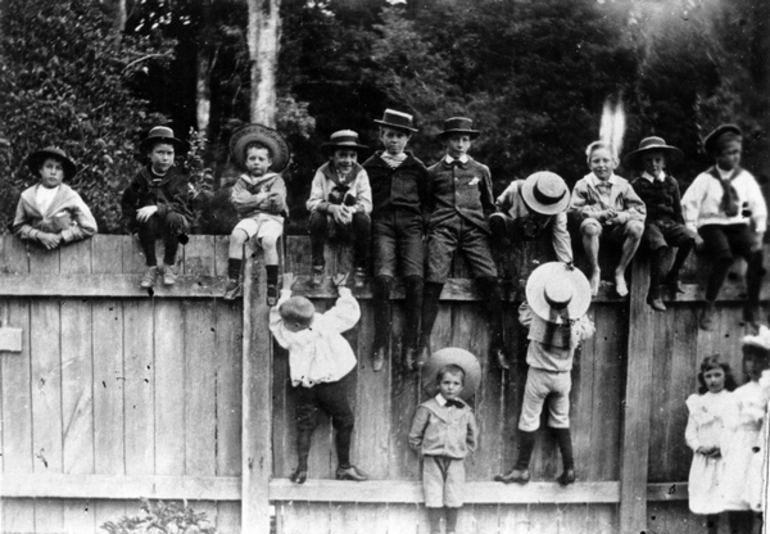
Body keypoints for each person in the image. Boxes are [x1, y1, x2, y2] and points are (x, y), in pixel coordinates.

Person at [419, 117, 508, 371]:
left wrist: (492, 231)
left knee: (489, 279)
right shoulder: (432, 172)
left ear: (470, 143)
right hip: (443, 229)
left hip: (474, 231)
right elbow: (426, 206)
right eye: (455, 139)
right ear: (446, 141)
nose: (460, 144)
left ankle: (499, 345)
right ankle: (422, 341)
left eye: (465, 139)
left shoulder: (481, 171)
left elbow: (489, 206)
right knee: (433, 279)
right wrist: (432, 227)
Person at [495, 262, 594, 485]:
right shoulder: (576, 321)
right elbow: (588, 331)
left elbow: (523, 316)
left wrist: (532, 297)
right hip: (562, 377)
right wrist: (579, 315)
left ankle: (521, 468)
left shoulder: (537, 318)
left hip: (539, 375)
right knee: (561, 420)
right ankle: (569, 468)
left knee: (529, 419)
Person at [269, 271, 369, 484]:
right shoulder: (324, 323)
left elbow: (276, 316)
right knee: (346, 421)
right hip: (328, 385)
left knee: (305, 425)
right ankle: (344, 466)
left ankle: (302, 469)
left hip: (304, 386)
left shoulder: (288, 335)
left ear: (294, 325)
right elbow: (348, 312)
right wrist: (342, 288)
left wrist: (286, 290)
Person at [681, 124, 767, 331]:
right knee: (724, 256)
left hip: (737, 226)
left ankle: (752, 307)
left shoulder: (744, 178)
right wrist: (693, 232)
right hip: (711, 226)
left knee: (757, 253)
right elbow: (688, 205)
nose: (736, 157)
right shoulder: (706, 179)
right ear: (717, 156)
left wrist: (758, 231)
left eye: (737, 152)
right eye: (730, 153)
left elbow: (755, 205)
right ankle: (709, 305)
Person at [362, 109, 430, 372]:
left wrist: (422, 224)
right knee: (383, 279)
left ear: (408, 139)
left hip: (411, 226)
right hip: (382, 224)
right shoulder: (369, 167)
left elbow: (427, 202)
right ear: (381, 135)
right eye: (390, 135)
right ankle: (381, 342)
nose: (394, 141)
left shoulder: (417, 168)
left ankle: (411, 347)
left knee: (415, 280)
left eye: (400, 136)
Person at [409, 357, 479, 534]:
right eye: (446, 382)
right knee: (433, 494)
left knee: (454, 495)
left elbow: (473, 437)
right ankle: (434, 530)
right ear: (438, 384)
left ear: (462, 387)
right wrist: (424, 452)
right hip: (432, 459)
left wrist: (463, 452)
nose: (450, 387)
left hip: (456, 460)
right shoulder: (427, 408)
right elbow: (414, 436)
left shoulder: (465, 411)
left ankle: (451, 530)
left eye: (456, 384)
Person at [626, 136, 697, 311]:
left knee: (690, 238)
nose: (653, 164)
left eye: (658, 160)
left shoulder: (671, 182)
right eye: (648, 160)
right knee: (659, 245)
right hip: (649, 224)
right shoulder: (637, 184)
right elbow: (632, 210)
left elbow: (678, 210)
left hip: (669, 223)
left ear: (665, 162)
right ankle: (654, 292)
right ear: (643, 163)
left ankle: (674, 275)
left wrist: (681, 228)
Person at [223, 123, 290, 304]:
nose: (256, 162)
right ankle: (233, 280)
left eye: (261, 159)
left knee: (269, 241)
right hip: (250, 218)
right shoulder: (242, 182)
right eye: (252, 158)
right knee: (236, 236)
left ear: (269, 162)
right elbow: (238, 203)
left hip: (272, 219)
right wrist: (261, 197)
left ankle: (272, 285)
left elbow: (277, 204)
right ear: (246, 162)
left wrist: (252, 200)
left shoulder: (276, 180)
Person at [570, 140, 646, 297]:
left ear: (615, 162)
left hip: (617, 232)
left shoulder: (623, 185)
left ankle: (620, 271)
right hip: (593, 233)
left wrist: (624, 216)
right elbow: (573, 211)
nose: (601, 165)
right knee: (590, 225)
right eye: (596, 161)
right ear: (589, 164)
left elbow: (640, 209)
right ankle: (595, 270)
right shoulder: (583, 185)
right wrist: (596, 215)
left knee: (637, 227)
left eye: (606, 160)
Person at [121, 126, 190, 288]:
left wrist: (156, 208)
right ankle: (151, 265)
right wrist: (133, 227)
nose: (165, 158)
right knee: (144, 215)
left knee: (173, 217)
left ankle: (168, 264)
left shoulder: (179, 178)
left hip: (175, 225)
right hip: (150, 226)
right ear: (149, 154)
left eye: (169, 153)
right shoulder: (142, 177)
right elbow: (128, 200)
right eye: (160, 152)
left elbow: (181, 205)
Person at [306, 130, 372, 289]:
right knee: (316, 217)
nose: (348, 160)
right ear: (332, 155)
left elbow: (367, 204)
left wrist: (352, 210)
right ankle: (318, 266)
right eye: (342, 155)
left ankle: (360, 267)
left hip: (351, 223)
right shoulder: (322, 173)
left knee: (364, 219)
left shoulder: (360, 173)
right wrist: (331, 208)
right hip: (329, 222)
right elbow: (311, 202)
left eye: (352, 156)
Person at [721, 326, 770, 533]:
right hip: (743, 451)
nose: (750, 364)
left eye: (756, 359)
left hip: (764, 453)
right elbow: (729, 427)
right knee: (739, 498)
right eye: (747, 359)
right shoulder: (740, 394)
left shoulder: (767, 389)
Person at [685, 355, 737, 534]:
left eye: (717, 375)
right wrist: (700, 447)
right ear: (703, 378)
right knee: (710, 505)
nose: (713, 380)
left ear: (725, 376)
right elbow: (690, 434)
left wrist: (723, 448)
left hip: (728, 460)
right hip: (705, 462)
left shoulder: (733, 400)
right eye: (708, 376)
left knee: (731, 504)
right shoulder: (698, 403)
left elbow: (737, 431)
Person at [490, 171, 573, 281]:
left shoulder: (559, 210)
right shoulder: (516, 188)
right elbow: (498, 208)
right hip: (512, 229)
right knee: (497, 219)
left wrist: (567, 265)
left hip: (539, 235)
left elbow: (561, 236)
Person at [13, 146, 97, 248]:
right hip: (34, 252)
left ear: (63, 174)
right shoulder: (27, 196)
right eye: (49, 166)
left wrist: (62, 236)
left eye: (58, 168)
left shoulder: (70, 196)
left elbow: (90, 227)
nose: (53, 172)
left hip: (65, 253)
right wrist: (39, 235)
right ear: (40, 170)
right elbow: (18, 227)